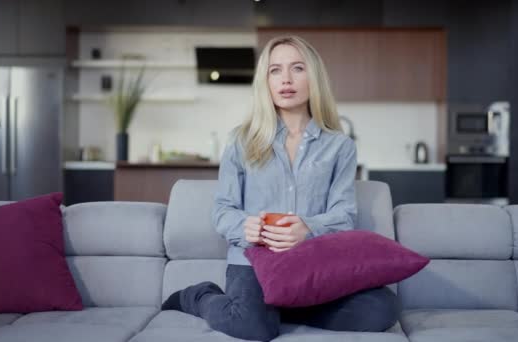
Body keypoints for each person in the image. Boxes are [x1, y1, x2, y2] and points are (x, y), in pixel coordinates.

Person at [161, 36, 400, 341]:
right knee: (253, 328)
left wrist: (308, 228)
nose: (286, 79)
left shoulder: (339, 146)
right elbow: (222, 210)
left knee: (382, 308)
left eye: (297, 68)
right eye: (275, 70)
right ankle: (199, 297)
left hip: (311, 263)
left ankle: (282, 306)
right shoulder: (241, 140)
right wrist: (246, 227)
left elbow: (344, 215)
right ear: (266, 81)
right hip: (254, 263)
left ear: (314, 77)